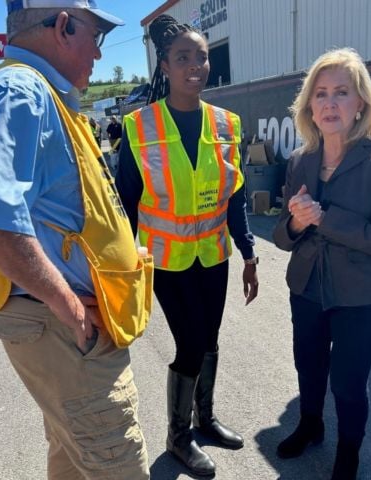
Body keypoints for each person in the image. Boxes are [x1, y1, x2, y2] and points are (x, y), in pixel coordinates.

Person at [0, 2, 151, 479]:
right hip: (65, 331)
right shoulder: (19, 89)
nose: (99, 56)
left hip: (64, 331)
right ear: (63, 26)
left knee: (74, 460)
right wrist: (67, 304)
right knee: (116, 466)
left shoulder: (42, 95)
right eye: (95, 37)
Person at [115, 14, 259, 477]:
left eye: (201, 57)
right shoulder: (139, 127)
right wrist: (121, 266)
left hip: (214, 254)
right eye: (183, 58)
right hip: (167, 260)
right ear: (165, 66)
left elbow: (234, 194)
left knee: (210, 339)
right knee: (191, 343)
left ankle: (205, 418)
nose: (195, 65)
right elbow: (124, 203)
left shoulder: (226, 124)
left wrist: (250, 251)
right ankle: (178, 437)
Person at [273, 48, 371, 480]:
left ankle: (349, 451)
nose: (329, 103)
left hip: (363, 296)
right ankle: (310, 425)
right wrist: (296, 223)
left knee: (349, 383)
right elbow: (282, 236)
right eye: (321, 94)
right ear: (309, 106)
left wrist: (325, 219)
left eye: (341, 93)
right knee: (308, 367)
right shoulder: (299, 159)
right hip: (307, 287)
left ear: (361, 104)